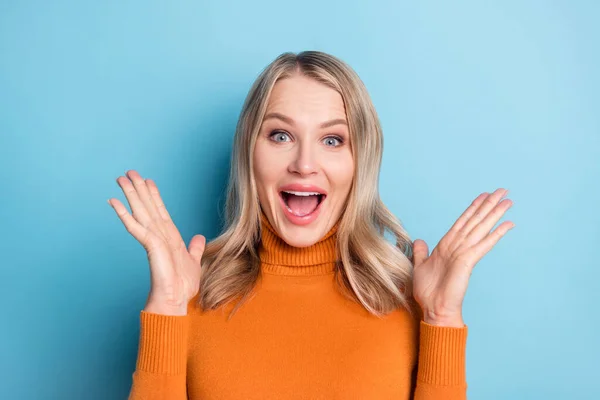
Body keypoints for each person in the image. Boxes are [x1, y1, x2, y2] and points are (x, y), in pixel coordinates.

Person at [108, 50, 515, 399]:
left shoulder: (411, 301)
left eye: (333, 140)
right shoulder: (191, 293)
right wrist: (167, 308)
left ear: (360, 162)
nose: (304, 164)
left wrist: (441, 318)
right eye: (280, 135)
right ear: (249, 152)